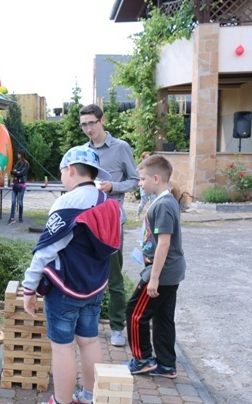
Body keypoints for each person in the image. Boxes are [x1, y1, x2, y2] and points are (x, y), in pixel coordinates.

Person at [22, 146, 121, 404]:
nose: (62, 178)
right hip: (95, 286)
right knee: (89, 341)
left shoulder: (68, 202)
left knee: (62, 347)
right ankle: (89, 399)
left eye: (62, 173)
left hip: (65, 289)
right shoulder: (107, 201)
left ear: (71, 170)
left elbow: (44, 252)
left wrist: (29, 289)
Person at [80, 103, 139, 347]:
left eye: (92, 123)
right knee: (87, 276)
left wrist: (113, 186)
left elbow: (135, 180)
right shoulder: (82, 151)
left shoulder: (121, 147)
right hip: (87, 222)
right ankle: (87, 324)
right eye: (83, 125)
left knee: (114, 279)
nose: (88, 129)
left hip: (112, 222)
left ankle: (117, 327)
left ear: (102, 120)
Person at [125, 155, 185, 378]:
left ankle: (142, 360)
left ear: (156, 178)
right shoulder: (165, 201)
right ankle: (166, 365)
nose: (140, 183)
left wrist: (154, 278)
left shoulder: (164, 205)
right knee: (162, 317)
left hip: (162, 272)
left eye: (142, 179)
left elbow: (164, 243)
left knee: (135, 313)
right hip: (171, 272)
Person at [7, 148, 29, 225]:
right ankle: (12, 218)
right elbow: (12, 171)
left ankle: (20, 217)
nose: (17, 155)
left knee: (20, 202)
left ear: (21, 155)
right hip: (15, 185)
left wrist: (17, 172)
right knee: (13, 201)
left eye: (18, 154)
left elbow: (22, 173)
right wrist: (16, 172)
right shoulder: (17, 163)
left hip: (22, 185)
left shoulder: (26, 164)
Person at [136, 151, 156, 221]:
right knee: (143, 202)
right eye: (147, 157)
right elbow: (137, 176)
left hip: (151, 186)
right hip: (143, 186)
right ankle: (138, 215)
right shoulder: (140, 167)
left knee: (153, 202)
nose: (148, 158)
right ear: (143, 158)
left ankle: (150, 217)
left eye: (149, 157)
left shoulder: (152, 167)